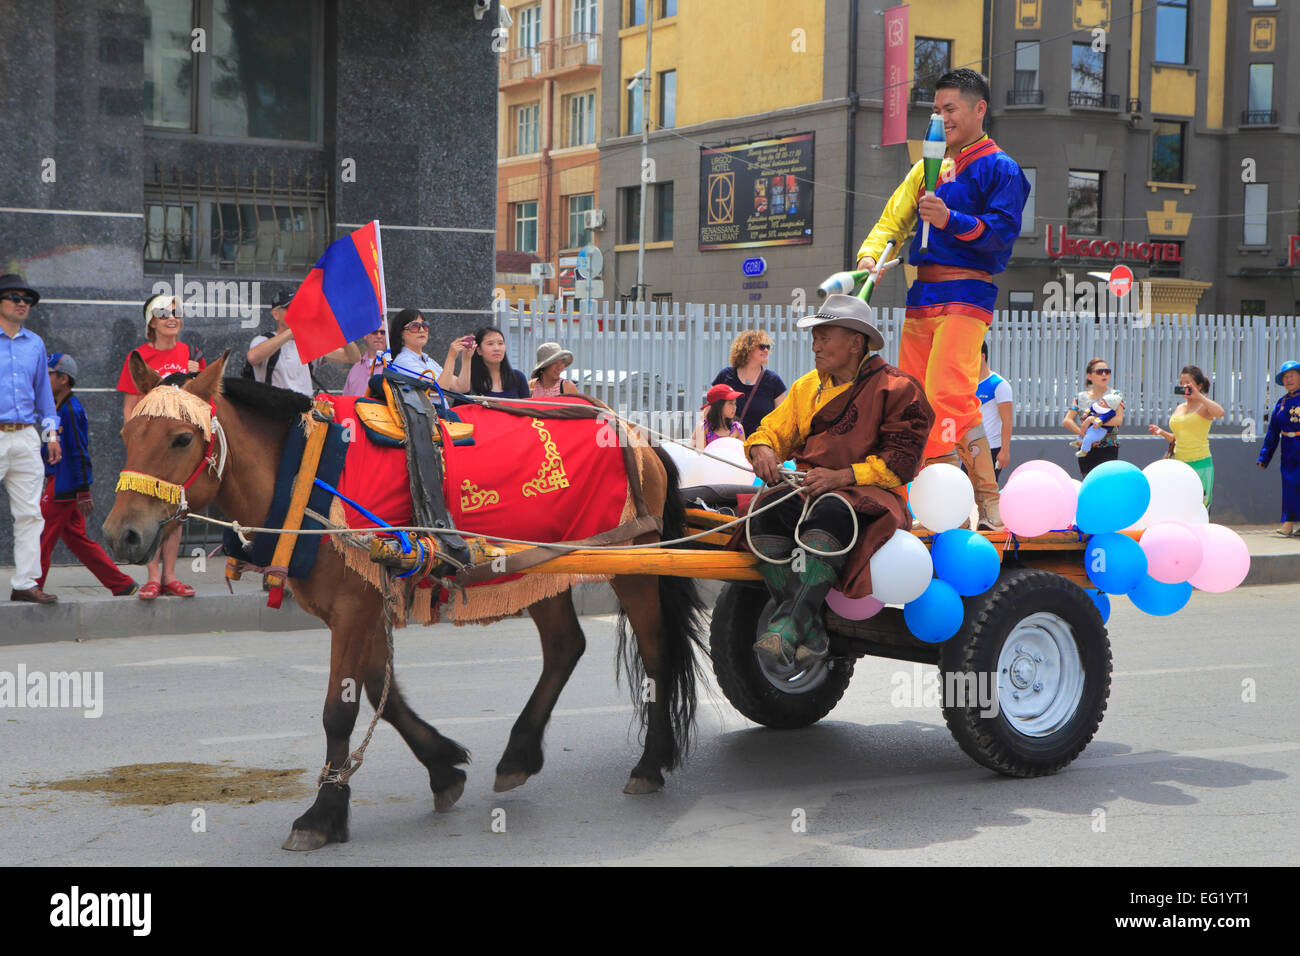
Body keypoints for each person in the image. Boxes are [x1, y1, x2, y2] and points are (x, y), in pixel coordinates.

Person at [856, 68, 1029, 525]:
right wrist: (871, 256)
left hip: (969, 291)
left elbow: (1001, 238)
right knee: (913, 398)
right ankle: (935, 503)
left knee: (947, 393)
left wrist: (950, 218)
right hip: (923, 292)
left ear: (979, 109)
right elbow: (891, 222)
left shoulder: (1002, 169)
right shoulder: (923, 169)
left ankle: (979, 501)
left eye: (950, 109)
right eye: (936, 110)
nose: (941, 118)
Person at [743, 294, 933, 667]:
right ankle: (808, 628)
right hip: (810, 487)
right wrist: (762, 449)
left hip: (870, 496)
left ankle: (786, 627)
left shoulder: (898, 388)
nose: (815, 345)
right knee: (764, 511)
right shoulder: (807, 387)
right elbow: (773, 430)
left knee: (833, 509)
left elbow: (902, 461)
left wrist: (843, 476)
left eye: (824, 336)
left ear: (856, 341)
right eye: (814, 337)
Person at [117, 293, 208, 599]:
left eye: (176, 312)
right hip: (148, 449)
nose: (172, 317)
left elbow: (203, 403)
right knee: (147, 508)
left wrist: (195, 373)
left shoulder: (191, 353)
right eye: (164, 313)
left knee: (176, 510)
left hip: (177, 448)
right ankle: (152, 576)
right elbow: (130, 406)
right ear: (151, 322)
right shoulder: (139, 357)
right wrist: (137, 443)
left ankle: (170, 576)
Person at [38, 353, 137, 596]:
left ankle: (32, 584)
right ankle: (122, 584)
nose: (44, 379)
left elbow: (80, 453)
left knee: (41, 536)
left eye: (49, 374)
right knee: (78, 541)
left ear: (63, 379)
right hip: (59, 482)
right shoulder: (56, 408)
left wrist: (83, 491)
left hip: (64, 486)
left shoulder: (72, 410)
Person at [0, 274, 61, 604]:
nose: (22, 303)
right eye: (14, 297)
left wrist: (51, 434)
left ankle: (24, 583)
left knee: (30, 514)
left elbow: (44, 396)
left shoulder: (35, 344)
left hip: (25, 435)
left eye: (27, 299)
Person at [247, 288, 361, 397]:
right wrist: (293, 331)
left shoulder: (309, 343)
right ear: (276, 314)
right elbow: (253, 357)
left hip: (304, 409)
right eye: (290, 308)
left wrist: (341, 331)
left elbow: (353, 358)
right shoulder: (263, 340)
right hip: (275, 410)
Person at [1145, 365, 1224, 510]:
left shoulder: (1204, 406)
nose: (1183, 386)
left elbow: (1220, 412)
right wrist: (1161, 432)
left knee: (1199, 506)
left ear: (1199, 385)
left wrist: (1199, 396)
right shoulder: (1179, 408)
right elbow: (1177, 438)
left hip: (1200, 463)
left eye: (1188, 383)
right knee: (1178, 505)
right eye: (1181, 383)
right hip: (1179, 463)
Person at [712, 330, 787, 438]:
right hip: (728, 446)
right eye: (761, 346)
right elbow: (710, 411)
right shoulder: (725, 376)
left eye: (768, 347)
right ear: (747, 349)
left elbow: (782, 419)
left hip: (760, 446)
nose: (766, 350)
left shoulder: (773, 381)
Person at [1257, 360, 1300, 536]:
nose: (1288, 380)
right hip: (1289, 449)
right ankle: (1288, 523)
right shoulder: (1280, 403)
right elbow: (1272, 433)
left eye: (1292, 376)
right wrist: (1264, 457)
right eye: (1285, 377)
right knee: (1289, 485)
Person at [1063, 358, 1125, 478]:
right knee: (1088, 481)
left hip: (1108, 445)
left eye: (1107, 371)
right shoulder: (1080, 397)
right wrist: (1085, 435)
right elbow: (1067, 420)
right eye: (1099, 371)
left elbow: (1118, 420)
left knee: (1106, 482)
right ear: (1089, 376)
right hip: (1087, 447)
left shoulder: (1115, 395)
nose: (1104, 374)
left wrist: (1094, 420)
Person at [388, 308, 472, 393]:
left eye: (424, 325)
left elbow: (461, 387)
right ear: (400, 333)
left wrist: (466, 359)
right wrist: (451, 357)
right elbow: (440, 390)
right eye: (414, 326)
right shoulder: (403, 361)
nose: (421, 330)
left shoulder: (428, 360)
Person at [976, 341, 1012, 479]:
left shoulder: (999, 384)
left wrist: (1005, 451)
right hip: (972, 447)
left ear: (983, 356)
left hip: (991, 448)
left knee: (986, 491)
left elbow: (1007, 421)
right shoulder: (968, 384)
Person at [469, 326, 529, 399]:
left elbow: (527, 407)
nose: (497, 348)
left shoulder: (518, 377)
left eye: (500, 343)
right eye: (490, 344)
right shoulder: (469, 379)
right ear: (479, 350)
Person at [692, 384, 744, 449]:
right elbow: (700, 456)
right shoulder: (703, 428)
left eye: (735, 403)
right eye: (730, 403)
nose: (735, 407)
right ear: (719, 405)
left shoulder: (738, 428)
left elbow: (743, 456)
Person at [341, 327, 389, 397]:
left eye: (383, 332)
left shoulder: (393, 368)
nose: (379, 336)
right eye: (374, 332)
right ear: (365, 335)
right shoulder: (355, 368)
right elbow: (345, 399)